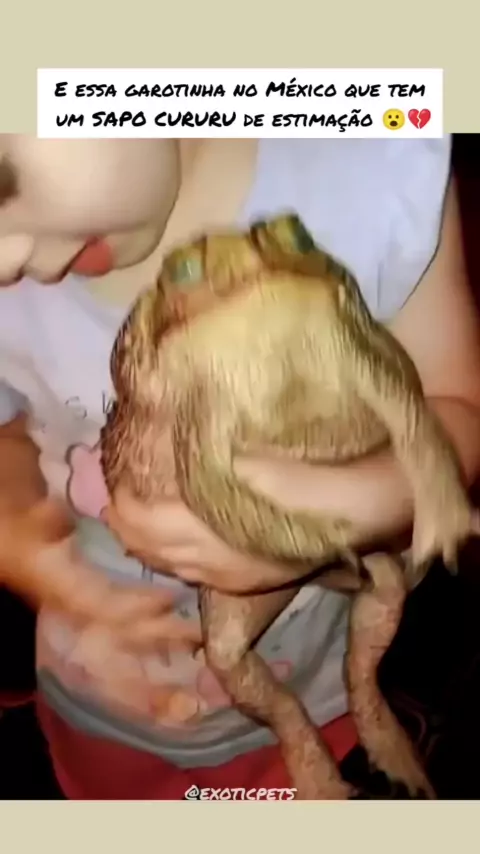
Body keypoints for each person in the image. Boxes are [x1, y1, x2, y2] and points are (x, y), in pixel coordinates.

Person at [1, 135, 480, 800]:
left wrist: (325, 516)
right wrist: (23, 547)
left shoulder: (371, 167)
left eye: (3, 182)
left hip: (310, 675)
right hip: (103, 693)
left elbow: (456, 414)